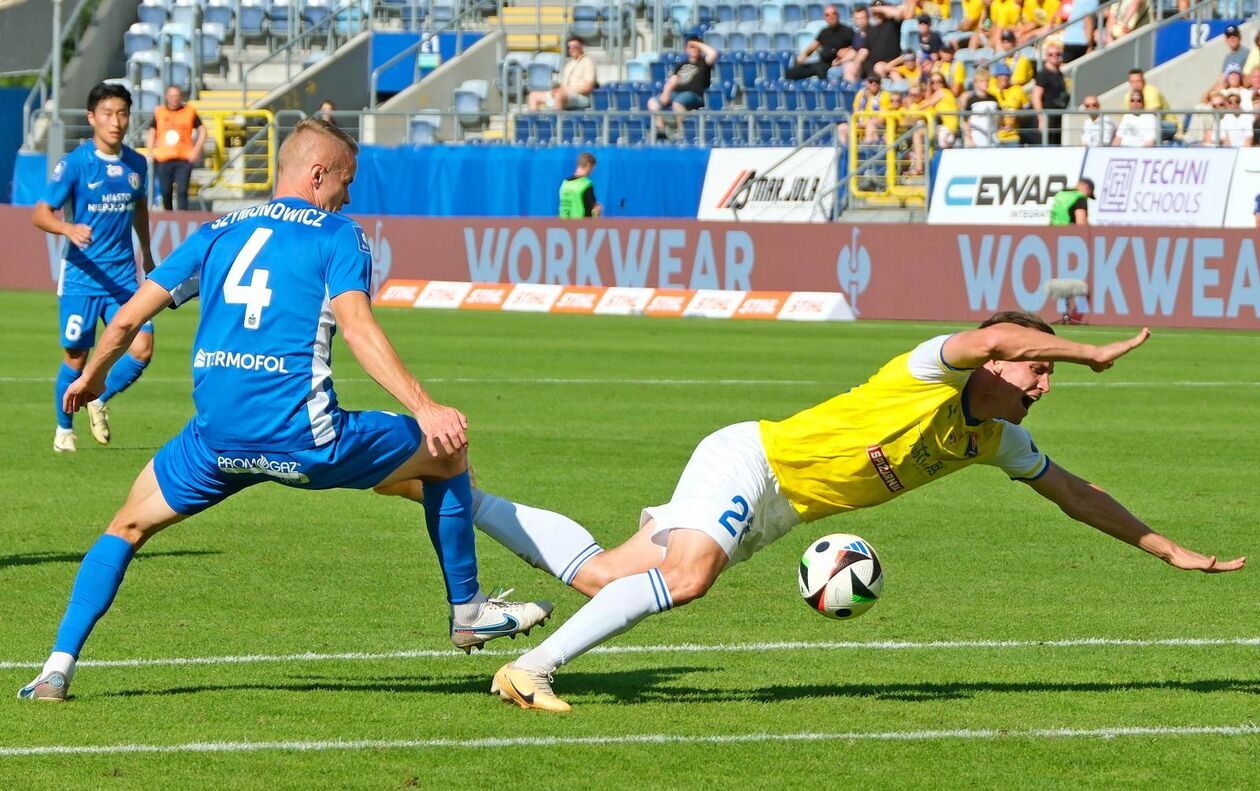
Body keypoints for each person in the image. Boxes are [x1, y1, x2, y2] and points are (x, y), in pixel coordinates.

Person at [17, 119, 551, 702]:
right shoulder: (339, 235)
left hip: (215, 443)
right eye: (345, 181)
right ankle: (467, 608)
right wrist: (426, 408)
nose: (348, 195)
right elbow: (358, 328)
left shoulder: (216, 231)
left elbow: (125, 320)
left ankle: (55, 669)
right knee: (447, 451)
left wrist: (92, 378)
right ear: (318, 174)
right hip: (306, 439)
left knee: (125, 526)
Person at [473, 312, 1243, 712]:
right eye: (1037, 369)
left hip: (780, 511)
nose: (1043, 384)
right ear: (996, 359)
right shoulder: (927, 369)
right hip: (752, 459)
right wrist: (1090, 350)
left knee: (605, 576)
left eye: (1050, 373)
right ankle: (531, 669)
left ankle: (454, 492)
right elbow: (1000, 334)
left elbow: (1078, 495)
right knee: (691, 575)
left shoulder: (995, 440)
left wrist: (1168, 549)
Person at [32, 82, 156, 453]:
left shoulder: (137, 163)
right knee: (76, 356)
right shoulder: (74, 164)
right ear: (91, 118)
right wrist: (66, 227)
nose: (115, 121)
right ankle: (64, 430)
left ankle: (98, 397)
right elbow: (40, 213)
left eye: (122, 113)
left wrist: (147, 252)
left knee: (143, 349)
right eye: (107, 113)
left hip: (122, 278)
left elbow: (139, 209)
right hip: (82, 278)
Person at [145, 84, 206, 211]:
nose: (174, 99)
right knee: (165, 191)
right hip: (163, 159)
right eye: (172, 96)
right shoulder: (160, 112)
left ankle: (182, 218)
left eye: (177, 96)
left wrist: (196, 150)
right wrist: (150, 151)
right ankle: (169, 215)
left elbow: (203, 130)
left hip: (184, 159)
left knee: (182, 191)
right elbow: (152, 132)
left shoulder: (189, 111)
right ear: (167, 97)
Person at [648, 35, 718, 139]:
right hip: (675, 93)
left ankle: (682, 132)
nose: (694, 49)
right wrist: (666, 92)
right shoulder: (681, 64)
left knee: (678, 101)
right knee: (652, 102)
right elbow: (673, 79)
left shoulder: (704, 63)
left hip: (694, 95)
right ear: (686, 50)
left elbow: (713, 53)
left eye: (696, 47)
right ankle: (661, 130)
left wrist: (694, 43)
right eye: (691, 47)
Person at [786, 5, 856, 81]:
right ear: (825, 18)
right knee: (791, 72)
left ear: (838, 15)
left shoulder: (847, 31)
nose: (831, 17)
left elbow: (856, 48)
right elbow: (812, 47)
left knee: (822, 71)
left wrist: (845, 54)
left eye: (833, 14)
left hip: (836, 64)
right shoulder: (824, 32)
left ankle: (825, 92)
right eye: (827, 15)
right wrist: (803, 56)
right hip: (823, 62)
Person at [528, 36, 596, 111]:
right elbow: (563, 85)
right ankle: (534, 122)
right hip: (565, 94)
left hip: (580, 96)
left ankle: (556, 121)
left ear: (581, 47)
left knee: (559, 95)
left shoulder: (588, 62)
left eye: (575, 47)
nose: (572, 49)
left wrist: (568, 90)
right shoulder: (569, 64)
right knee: (533, 96)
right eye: (570, 47)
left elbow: (588, 87)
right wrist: (557, 90)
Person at [1031, 43, 1069, 145]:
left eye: (1057, 54)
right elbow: (1036, 97)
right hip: (1046, 117)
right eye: (1050, 54)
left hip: (1056, 117)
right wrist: (1041, 119)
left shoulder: (1059, 73)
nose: (1054, 56)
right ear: (1046, 56)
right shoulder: (1043, 74)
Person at [989, 62, 1029, 145]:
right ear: (996, 77)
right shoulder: (990, 90)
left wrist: (1018, 115)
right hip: (994, 136)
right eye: (1001, 75)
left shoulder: (1017, 90)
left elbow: (1028, 111)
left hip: (1013, 136)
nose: (1004, 78)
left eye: (1007, 75)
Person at [961, 68, 1000, 146]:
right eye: (982, 81)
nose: (985, 83)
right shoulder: (971, 100)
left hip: (992, 137)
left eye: (987, 81)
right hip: (976, 138)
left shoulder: (994, 98)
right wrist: (969, 137)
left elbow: (999, 117)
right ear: (976, 83)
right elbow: (965, 120)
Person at [559, 151, 601, 218]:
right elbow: (595, 209)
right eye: (592, 168)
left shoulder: (565, 183)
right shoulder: (586, 184)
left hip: (563, 225)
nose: (592, 171)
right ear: (588, 165)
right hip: (582, 226)